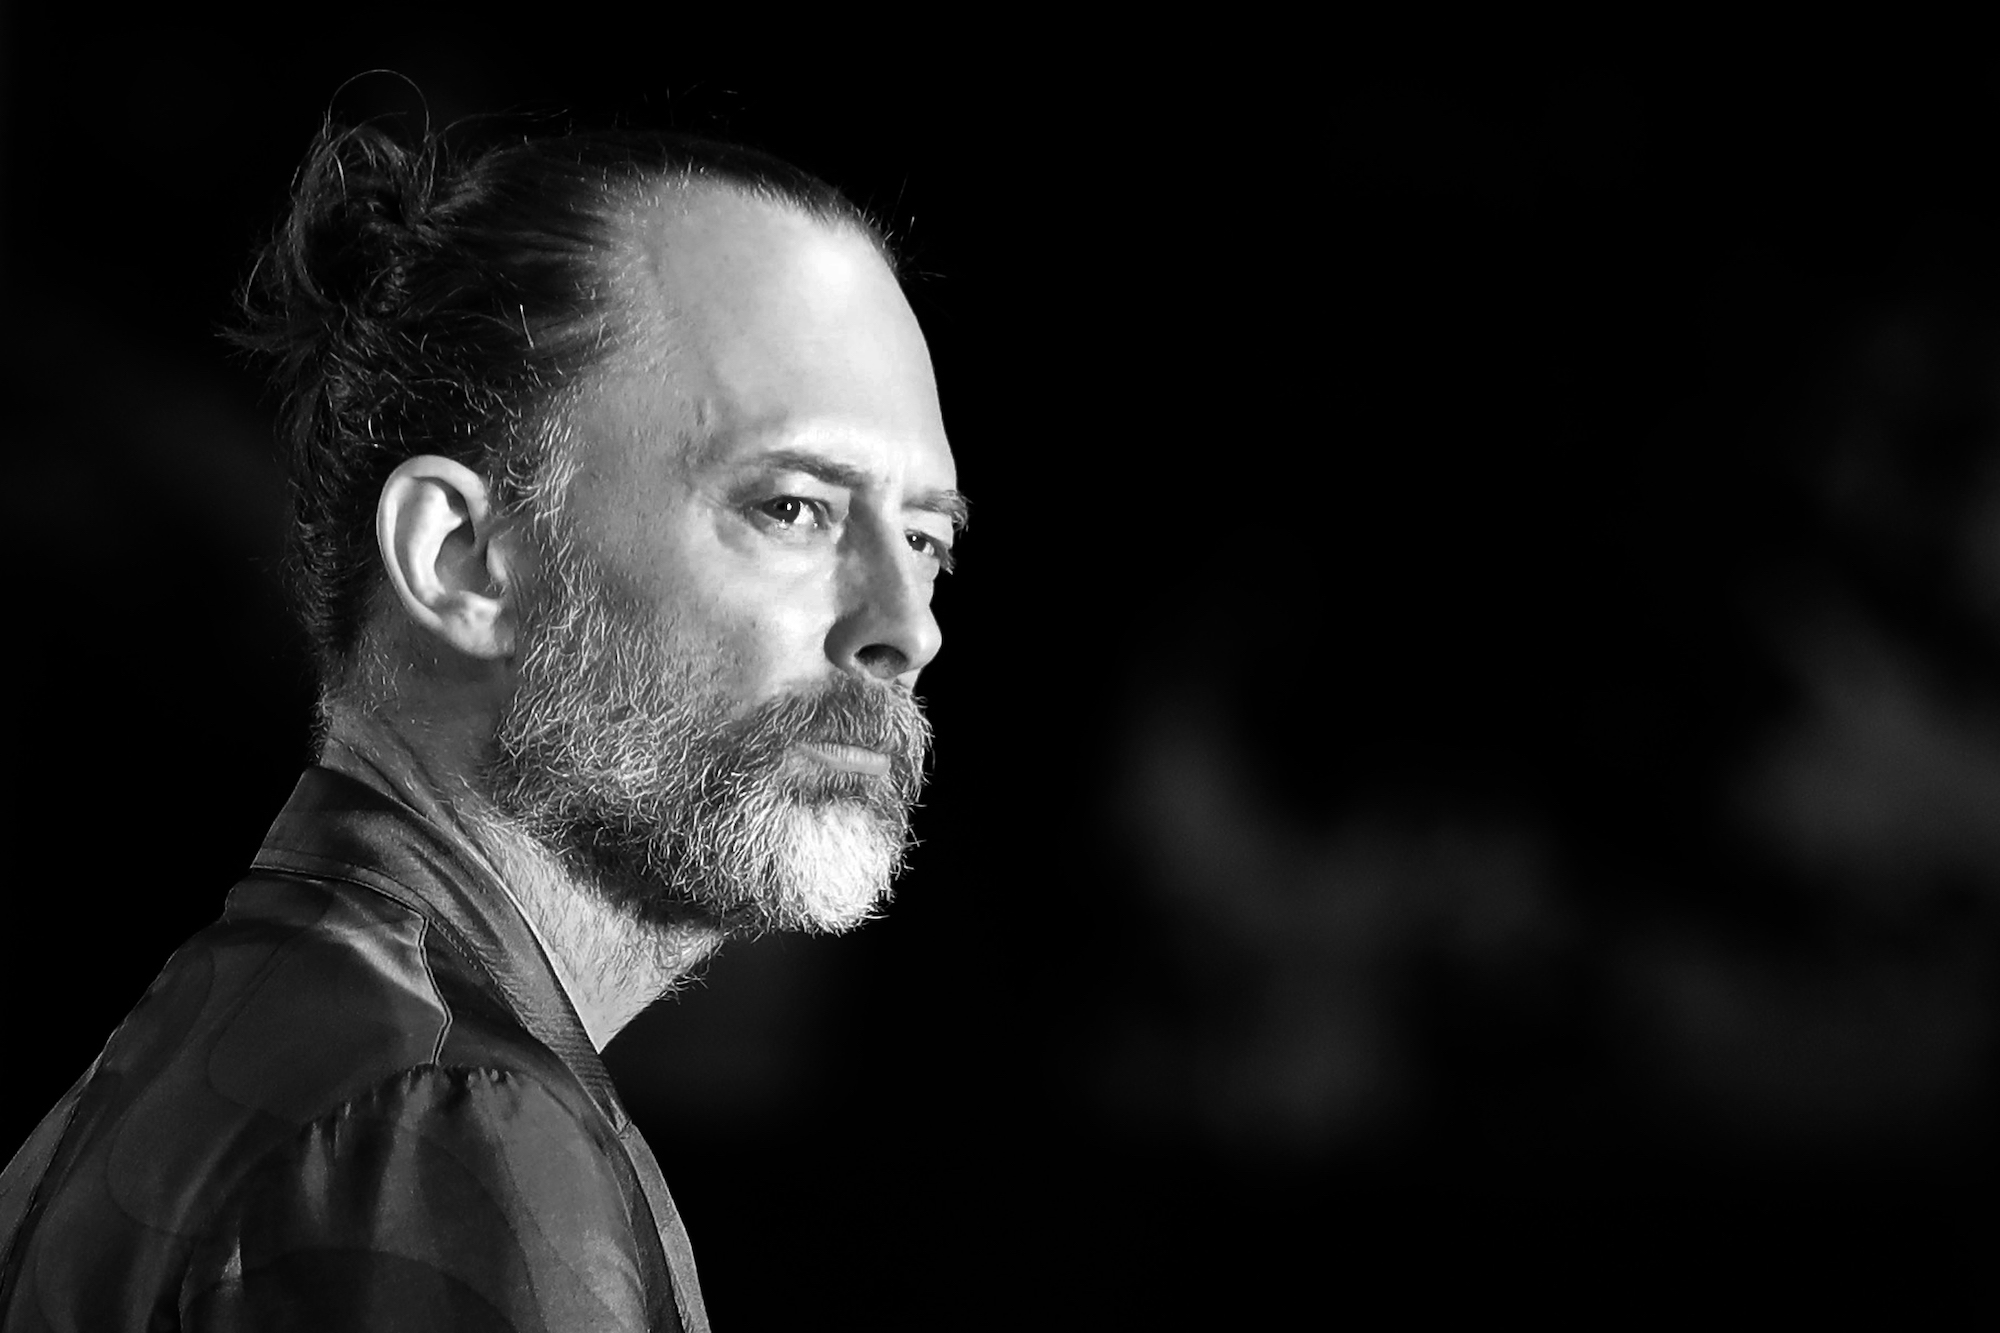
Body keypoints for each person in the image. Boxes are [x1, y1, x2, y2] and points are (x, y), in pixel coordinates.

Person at [0, 114, 962, 1331]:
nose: (905, 627)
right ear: (459, 558)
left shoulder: (278, 1044)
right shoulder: (432, 1122)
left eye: (924, 537)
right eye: (791, 507)